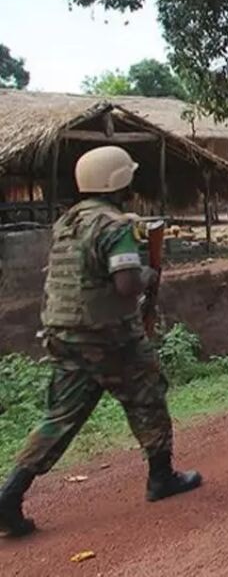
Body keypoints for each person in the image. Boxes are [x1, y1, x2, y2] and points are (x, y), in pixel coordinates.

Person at [1, 146, 201, 538]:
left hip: (64, 334)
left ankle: (10, 492)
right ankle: (161, 477)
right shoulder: (115, 226)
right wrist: (149, 275)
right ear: (117, 182)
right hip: (108, 337)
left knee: (59, 417)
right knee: (148, 394)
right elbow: (125, 284)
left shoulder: (68, 223)